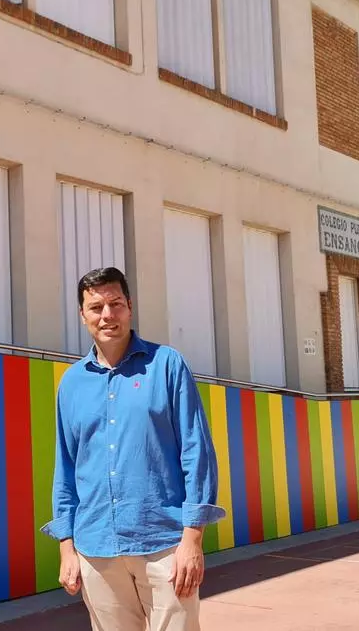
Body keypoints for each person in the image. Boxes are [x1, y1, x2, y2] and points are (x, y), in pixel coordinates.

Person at [42, 267, 225, 631]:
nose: (107, 315)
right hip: (96, 547)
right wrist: (66, 546)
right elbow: (66, 467)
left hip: (164, 543)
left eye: (115, 304)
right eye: (96, 307)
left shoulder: (167, 365)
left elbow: (196, 452)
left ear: (130, 306)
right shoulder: (71, 383)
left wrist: (192, 540)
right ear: (82, 315)